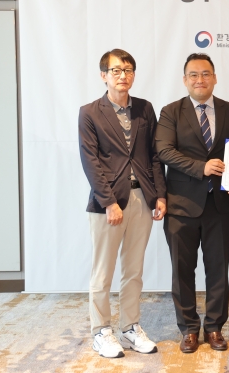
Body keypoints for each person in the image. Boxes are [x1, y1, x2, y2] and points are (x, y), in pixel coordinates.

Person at [78, 48, 167, 358]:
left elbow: (154, 155)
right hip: (108, 203)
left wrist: (159, 194)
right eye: (116, 70)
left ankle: (130, 328)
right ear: (104, 75)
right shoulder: (90, 112)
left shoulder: (144, 109)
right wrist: (109, 202)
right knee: (102, 272)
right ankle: (100, 331)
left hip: (142, 198)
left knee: (133, 270)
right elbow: (90, 161)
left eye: (128, 70)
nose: (122, 76)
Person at [155, 53, 229, 353]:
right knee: (182, 271)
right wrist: (201, 167)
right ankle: (189, 329)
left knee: (218, 269)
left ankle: (214, 327)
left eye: (206, 74)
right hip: (181, 205)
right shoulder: (171, 111)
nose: (200, 79)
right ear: (185, 80)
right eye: (193, 74)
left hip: (220, 204)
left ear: (215, 77)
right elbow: (164, 151)